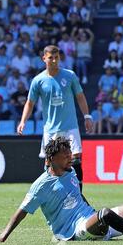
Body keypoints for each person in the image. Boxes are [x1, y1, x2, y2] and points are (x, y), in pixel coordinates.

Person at [0, 137, 123, 243]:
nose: (70, 158)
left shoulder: (70, 171)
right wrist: (2, 236)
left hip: (93, 221)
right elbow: (21, 212)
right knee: (105, 214)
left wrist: (93, 215)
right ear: (52, 159)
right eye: (66, 156)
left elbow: (78, 195)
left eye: (70, 154)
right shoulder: (41, 186)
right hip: (73, 231)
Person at [17, 45, 93, 192]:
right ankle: (50, 194)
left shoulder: (69, 75)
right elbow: (30, 103)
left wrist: (87, 116)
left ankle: (79, 194)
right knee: (49, 161)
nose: (53, 60)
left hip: (70, 126)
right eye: (50, 57)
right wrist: (23, 121)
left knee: (75, 158)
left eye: (56, 57)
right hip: (51, 128)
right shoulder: (38, 80)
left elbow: (80, 96)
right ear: (44, 58)